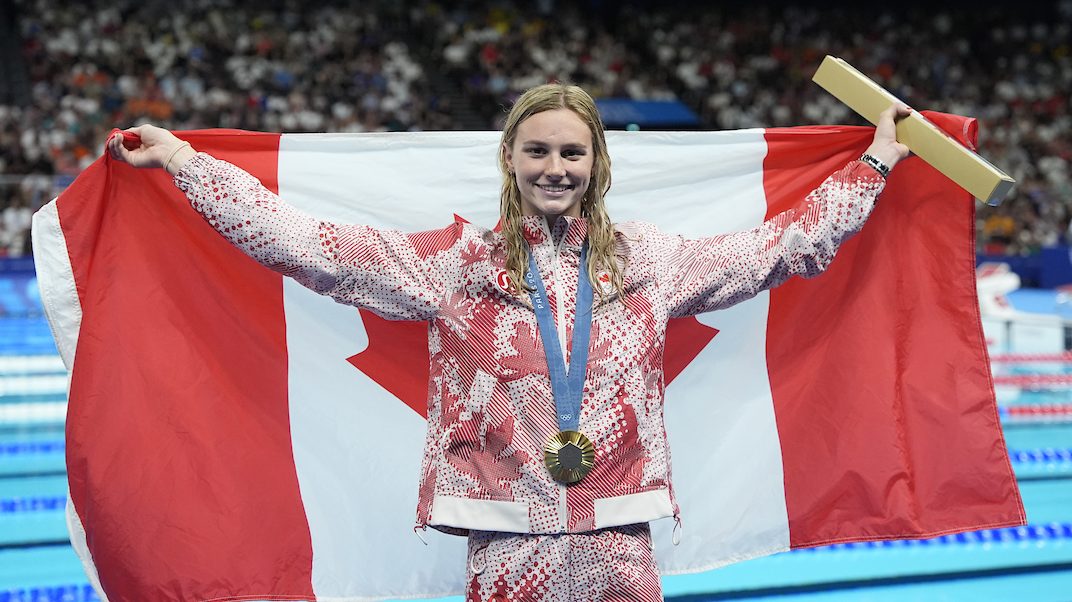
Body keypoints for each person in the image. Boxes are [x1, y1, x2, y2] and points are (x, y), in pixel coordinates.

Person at [109, 83, 909, 602]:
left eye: (571, 151)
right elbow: (309, 244)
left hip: (617, 536)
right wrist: (185, 161)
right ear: (511, 159)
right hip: (505, 538)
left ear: (596, 162)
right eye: (538, 149)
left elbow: (786, 247)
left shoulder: (651, 262)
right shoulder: (456, 267)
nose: (554, 166)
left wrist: (875, 163)